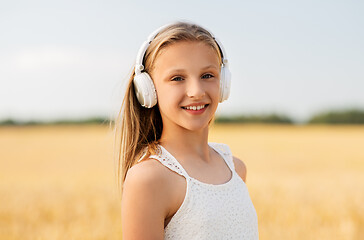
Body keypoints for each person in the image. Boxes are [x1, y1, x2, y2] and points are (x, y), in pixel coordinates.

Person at [114, 21, 259, 239]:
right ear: (149, 90)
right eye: (177, 78)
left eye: (207, 75)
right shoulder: (148, 179)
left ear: (223, 83)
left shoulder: (236, 169)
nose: (196, 91)